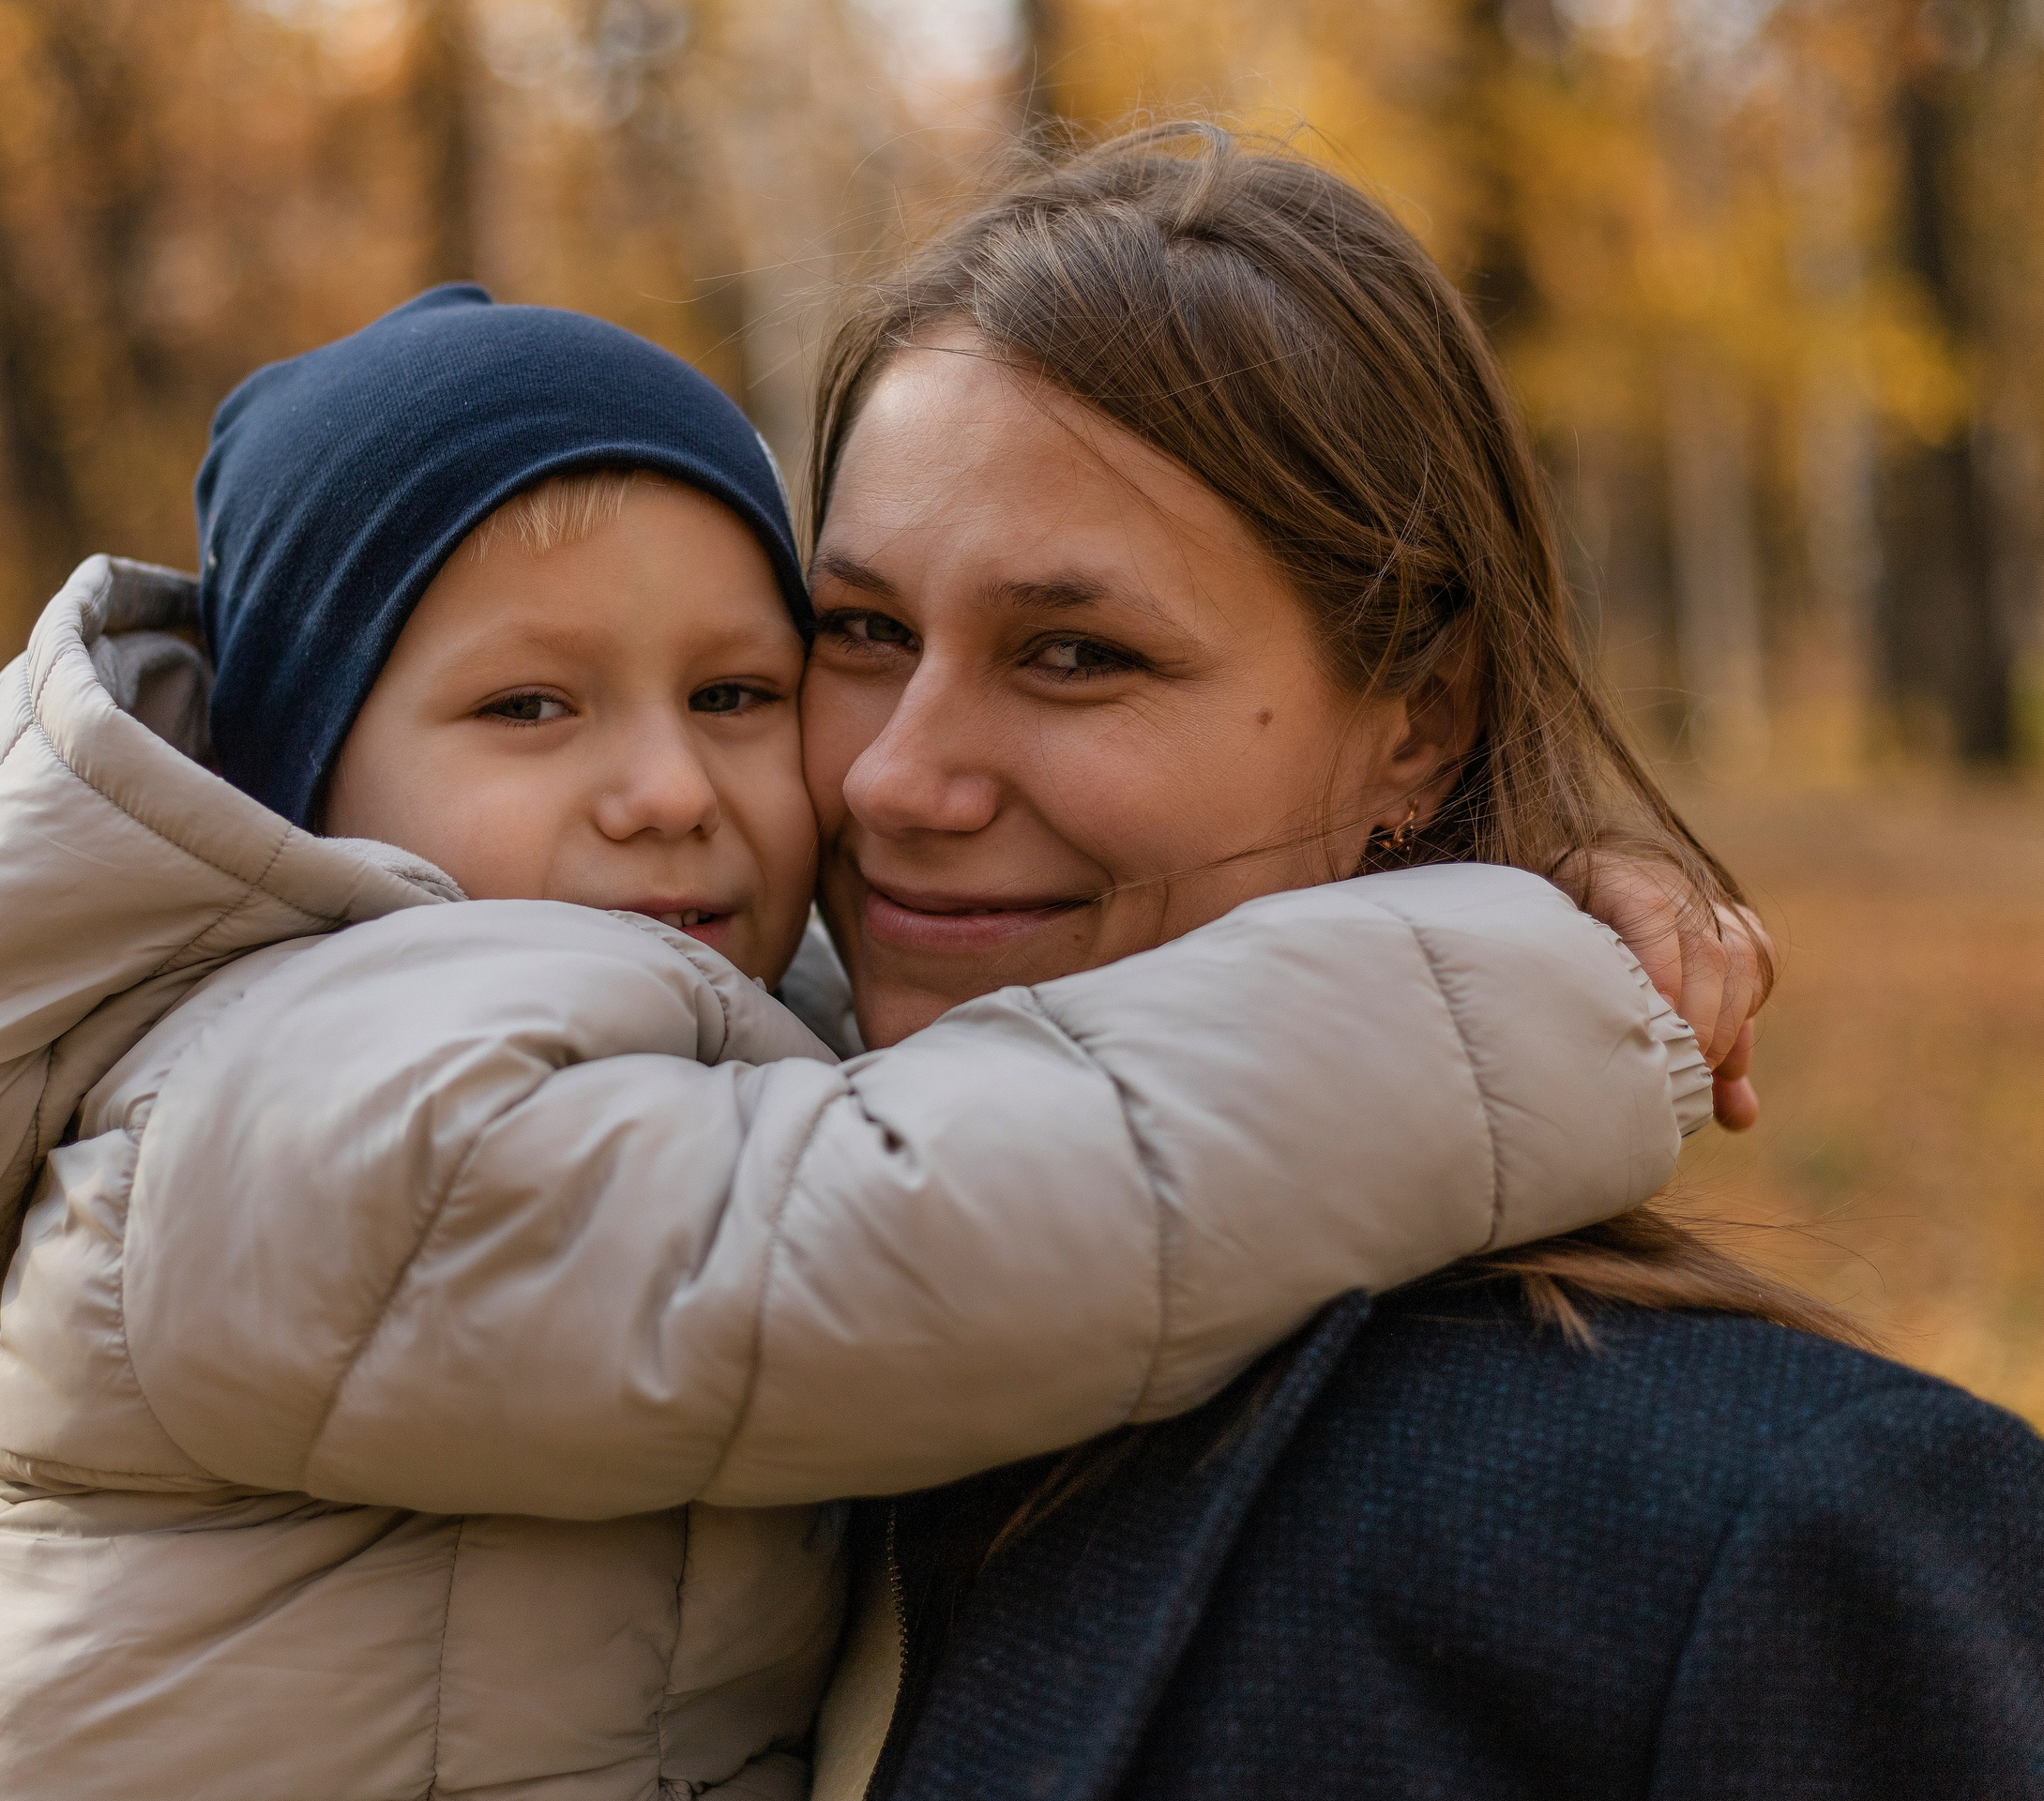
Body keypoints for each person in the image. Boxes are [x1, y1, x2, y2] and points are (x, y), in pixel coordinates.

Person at [0, 289, 1733, 1800]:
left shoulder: (591, 1054)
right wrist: (1510, 980)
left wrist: (1524, 871)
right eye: (530, 709)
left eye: (745, 691)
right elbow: (899, 1230)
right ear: (306, 787)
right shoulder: (294, 1102)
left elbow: (924, 1081)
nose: (665, 787)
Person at [792, 127, 2044, 1797]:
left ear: (1421, 722)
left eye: (1076, 654)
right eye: (863, 632)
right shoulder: (634, 1390)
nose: (890, 777)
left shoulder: (1767, 1538)